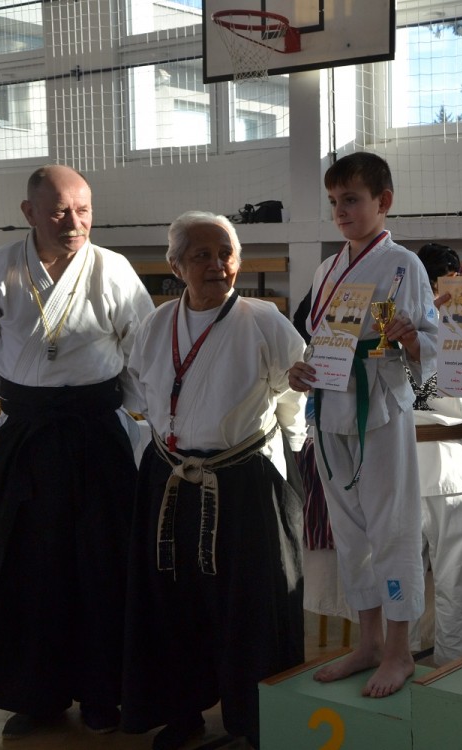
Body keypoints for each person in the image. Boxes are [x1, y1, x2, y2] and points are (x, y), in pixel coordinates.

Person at [0, 164, 154, 740]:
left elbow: (141, 348)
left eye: (84, 210)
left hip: (97, 430)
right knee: (27, 564)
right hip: (30, 433)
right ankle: (35, 695)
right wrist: (14, 401)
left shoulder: (113, 270)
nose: (74, 222)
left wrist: (134, 406)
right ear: (29, 213)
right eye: (59, 211)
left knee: (104, 563)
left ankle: (103, 694)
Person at [121, 211, 307, 750]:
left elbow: (294, 393)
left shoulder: (263, 319)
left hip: (244, 480)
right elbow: (143, 388)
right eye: (201, 255)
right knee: (171, 600)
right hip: (169, 478)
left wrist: (291, 452)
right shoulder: (157, 324)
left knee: (250, 606)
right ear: (175, 265)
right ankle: (180, 713)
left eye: (226, 254)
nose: (217, 265)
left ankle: (256, 722)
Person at [288, 152, 438, 698]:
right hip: (330, 407)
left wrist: (412, 339)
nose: (341, 211)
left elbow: (432, 341)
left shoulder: (404, 265)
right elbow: (318, 339)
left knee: (392, 528)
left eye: (351, 199)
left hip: (379, 406)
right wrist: (302, 368)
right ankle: (369, 642)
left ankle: (400, 650)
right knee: (350, 533)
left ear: (384, 201)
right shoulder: (326, 269)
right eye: (334, 202)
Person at [413, 242, 462, 663]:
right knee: (458, 581)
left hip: (402, 464)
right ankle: (456, 667)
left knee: (397, 575)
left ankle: (397, 657)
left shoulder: (386, 317)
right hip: (449, 464)